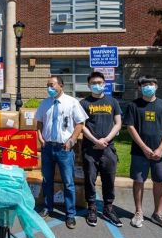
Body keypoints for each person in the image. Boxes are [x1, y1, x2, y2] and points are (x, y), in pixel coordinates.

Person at [123, 75, 162, 232]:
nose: (148, 87)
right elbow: (130, 127)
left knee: (159, 181)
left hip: (161, 153)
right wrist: (144, 147)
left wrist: (160, 149)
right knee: (139, 181)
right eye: (144, 85)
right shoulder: (133, 106)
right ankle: (138, 212)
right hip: (140, 152)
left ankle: (158, 214)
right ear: (139, 88)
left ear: (156, 86)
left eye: (151, 84)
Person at [35, 76, 88, 229]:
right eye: (47, 85)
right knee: (47, 180)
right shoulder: (45, 103)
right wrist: (40, 137)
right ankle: (47, 207)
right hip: (48, 148)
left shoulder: (72, 102)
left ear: (61, 85)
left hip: (64, 149)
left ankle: (70, 214)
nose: (49, 88)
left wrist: (71, 140)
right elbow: (39, 121)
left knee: (68, 183)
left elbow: (80, 123)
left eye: (51, 85)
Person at [80, 71, 123, 227]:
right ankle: (91, 207)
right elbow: (81, 126)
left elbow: (118, 123)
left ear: (105, 84)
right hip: (90, 148)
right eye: (93, 83)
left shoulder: (113, 102)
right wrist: (95, 140)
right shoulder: (84, 103)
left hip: (108, 148)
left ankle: (108, 207)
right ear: (89, 85)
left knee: (109, 179)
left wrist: (105, 139)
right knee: (90, 179)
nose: (97, 85)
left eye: (100, 82)